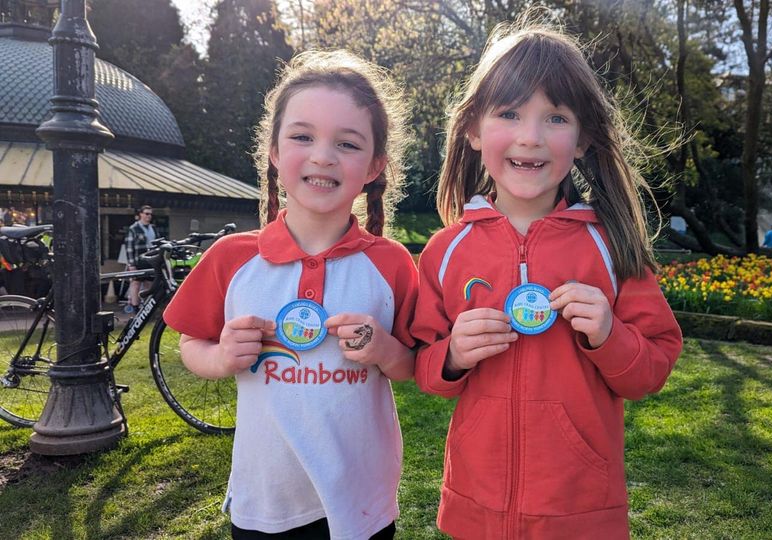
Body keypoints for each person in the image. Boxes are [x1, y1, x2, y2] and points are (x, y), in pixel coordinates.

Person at [412, 21, 684, 539]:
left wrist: (610, 335)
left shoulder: (612, 248)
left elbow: (652, 368)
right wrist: (451, 356)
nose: (530, 137)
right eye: (509, 113)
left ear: (581, 139)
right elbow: (423, 367)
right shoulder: (446, 252)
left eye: (555, 117)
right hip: (478, 508)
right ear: (472, 130)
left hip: (580, 511)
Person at [163, 50, 416, 539]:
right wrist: (220, 357)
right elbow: (191, 343)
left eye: (347, 143)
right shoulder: (231, 258)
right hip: (266, 499)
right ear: (275, 152)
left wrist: (384, 349)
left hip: (361, 498)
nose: (323, 155)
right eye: (303, 136)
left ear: (374, 166)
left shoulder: (391, 264)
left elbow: (411, 365)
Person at [123, 205, 156, 313]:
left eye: (150, 214)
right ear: (140, 214)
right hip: (138, 260)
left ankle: (146, 307)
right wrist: (131, 264)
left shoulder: (153, 228)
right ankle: (135, 306)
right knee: (136, 283)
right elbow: (129, 247)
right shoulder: (134, 228)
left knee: (149, 283)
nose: (149, 216)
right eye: (146, 213)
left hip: (150, 259)